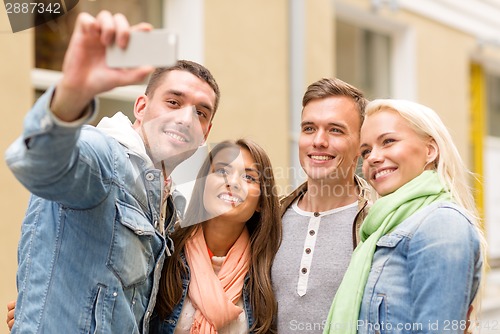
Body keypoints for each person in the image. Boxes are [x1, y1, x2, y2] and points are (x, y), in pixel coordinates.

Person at [5, 10, 220, 334]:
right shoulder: (105, 155)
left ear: (206, 131)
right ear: (141, 107)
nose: (187, 118)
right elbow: (39, 164)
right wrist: (73, 92)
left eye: (200, 112)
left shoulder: (166, 203)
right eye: (174, 102)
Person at [324, 99, 485, 333]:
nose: (373, 158)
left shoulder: (441, 224)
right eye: (366, 151)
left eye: (388, 141)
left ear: (430, 150)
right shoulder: (382, 228)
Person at [148, 139, 282, 333]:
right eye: (221, 171)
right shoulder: (165, 253)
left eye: (249, 177)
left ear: (261, 202)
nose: (233, 182)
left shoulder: (268, 274)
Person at [272, 78, 371, 333]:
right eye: (308, 128)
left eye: (335, 130)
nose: (318, 141)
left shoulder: (379, 223)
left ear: (361, 144)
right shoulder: (270, 218)